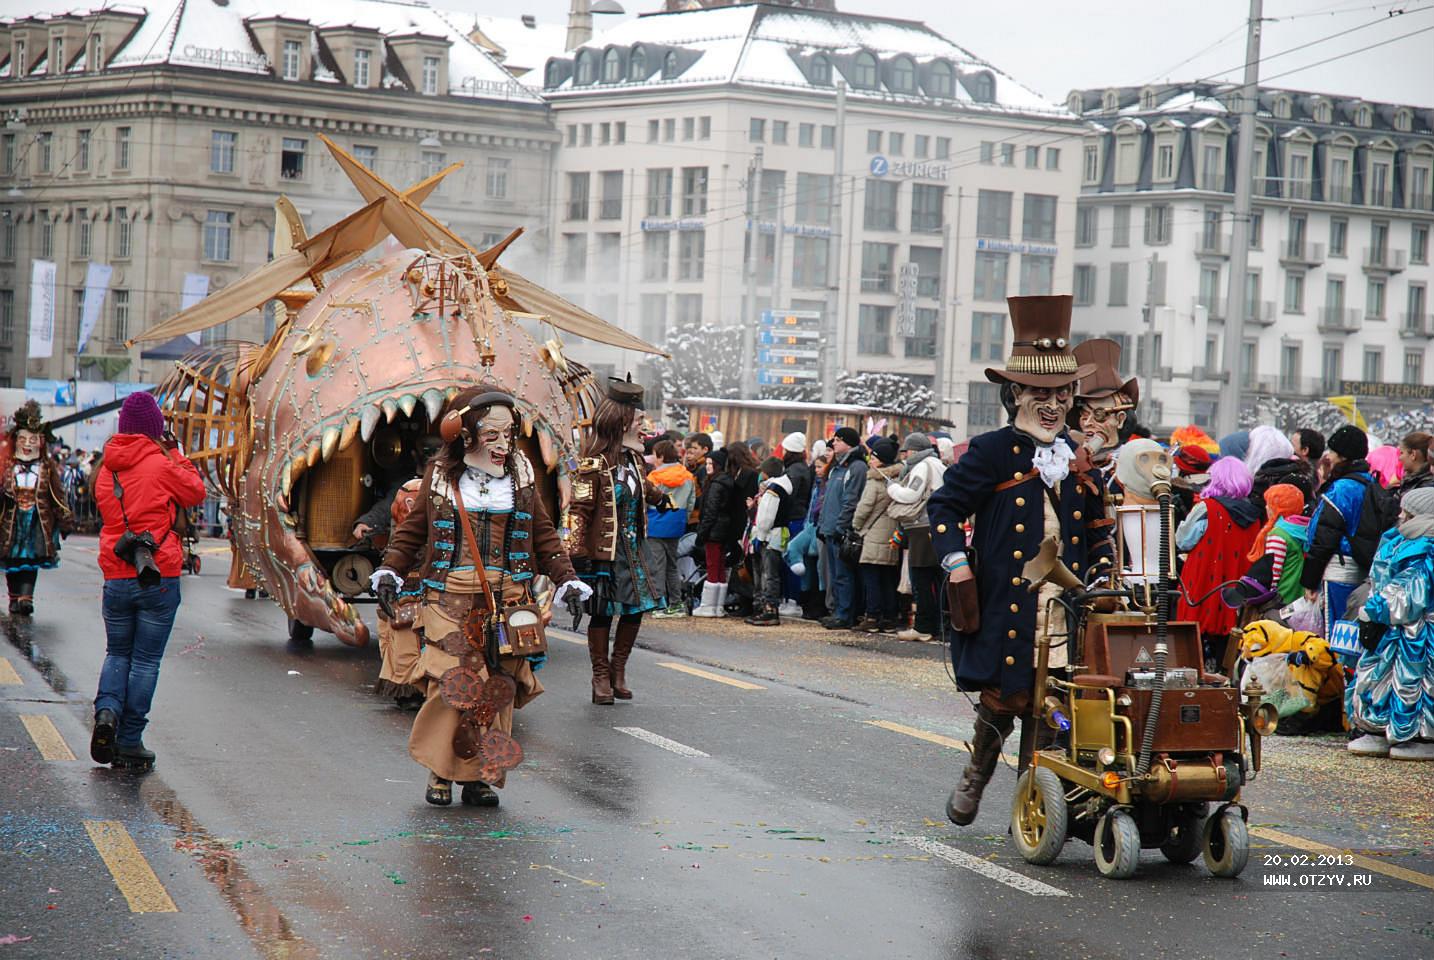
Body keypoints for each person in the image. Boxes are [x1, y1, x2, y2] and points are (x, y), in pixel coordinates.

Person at [927, 294, 1113, 827]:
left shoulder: (1080, 457)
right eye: (1039, 392)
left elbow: (1100, 533)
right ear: (1015, 394)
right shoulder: (990, 451)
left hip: (1065, 607)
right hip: (1007, 604)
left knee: (1053, 706)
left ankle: (1034, 803)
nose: (1052, 405)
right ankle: (975, 778)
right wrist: (956, 565)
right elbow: (942, 508)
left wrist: (1100, 577)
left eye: (1061, 393)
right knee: (1003, 698)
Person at [374, 387, 590, 806]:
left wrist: (567, 580)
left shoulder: (522, 475)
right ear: (465, 433)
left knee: (497, 689)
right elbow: (413, 531)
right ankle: (441, 772)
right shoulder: (440, 477)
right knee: (453, 685)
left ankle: (479, 778)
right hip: (450, 597)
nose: (504, 443)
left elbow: (543, 536)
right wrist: (389, 571)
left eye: (509, 434)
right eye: (493, 433)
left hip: (509, 599)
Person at [89, 393, 207, 771]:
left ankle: (107, 713)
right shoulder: (161, 463)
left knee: (116, 653)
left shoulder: (106, 469)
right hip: (158, 573)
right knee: (145, 660)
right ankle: (129, 740)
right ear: (156, 430)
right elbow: (196, 491)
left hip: (115, 572)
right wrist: (176, 453)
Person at [567, 380, 662, 703]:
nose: (644, 427)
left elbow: (643, 487)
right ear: (621, 422)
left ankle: (618, 668)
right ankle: (600, 677)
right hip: (605, 551)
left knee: (635, 610)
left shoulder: (635, 461)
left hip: (634, 549)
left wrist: (662, 498)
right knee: (604, 612)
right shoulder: (593, 465)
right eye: (638, 421)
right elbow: (578, 511)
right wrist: (577, 551)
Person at [1348, 488, 1434, 760]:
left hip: (1417, 630)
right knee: (1380, 677)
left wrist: (1374, 610)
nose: (1399, 515)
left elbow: (1411, 590)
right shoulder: (1398, 539)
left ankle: (1419, 734)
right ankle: (1379, 729)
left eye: (1405, 510)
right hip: (1388, 626)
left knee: (1415, 680)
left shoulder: (1426, 546)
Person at [1176, 456, 1262, 667]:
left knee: (1193, 649)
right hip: (1235, 591)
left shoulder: (1206, 508)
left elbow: (1183, 541)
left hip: (1202, 587)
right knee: (1228, 649)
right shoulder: (1255, 515)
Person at [0, 402, 73, 616]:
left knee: (31, 559)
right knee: (13, 559)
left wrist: (65, 520)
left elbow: (58, 497)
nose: (27, 444)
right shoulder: (6, 467)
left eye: (33, 440)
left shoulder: (47, 468)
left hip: (36, 521)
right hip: (11, 521)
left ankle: (26, 597)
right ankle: (15, 597)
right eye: (23, 439)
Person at [886, 432, 945, 641]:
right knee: (937, 580)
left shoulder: (922, 466)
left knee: (921, 579)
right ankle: (940, 626)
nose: (905, 455)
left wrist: (892, 488)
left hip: (921, 527)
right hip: (936, 525)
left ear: (915, 451)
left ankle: (923, 627)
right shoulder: (938, 464)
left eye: (907, 450)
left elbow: (911, 494)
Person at [373, 478, 426, 710]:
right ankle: (410, 687)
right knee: (402, 635)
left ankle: (415, 686)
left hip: (426, 582)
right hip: (407, 584)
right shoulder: (411, 493)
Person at [816, 427, 868, 630]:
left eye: (838, 440)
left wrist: (841, 526)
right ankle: (837, 610)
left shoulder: (855, 467)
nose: (834, 443)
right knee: (835, 574)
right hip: (829, 528)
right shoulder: (837, 467)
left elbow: (850, 500)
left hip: (842, 531)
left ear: (849, 443)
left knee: (844, 574)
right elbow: (827, 498)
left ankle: (845, 614)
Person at [851, 437, 902, 633]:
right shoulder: (897, 478)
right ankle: (889, 618)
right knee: (888, 578)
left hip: (873, 535)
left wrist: (855, 525)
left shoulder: (875, 479)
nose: (870, 460)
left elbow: (864, 507)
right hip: (891, 533)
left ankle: (872, 616)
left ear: (881, 460)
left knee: (871, 577)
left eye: (873, 457)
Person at [646, 439, 696, 619]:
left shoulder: (652, 478)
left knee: (657, 566)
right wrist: (683, 519)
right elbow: (691, 503)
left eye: (655, 455)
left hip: (655, 523)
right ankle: (676, 603)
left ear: (660, 456)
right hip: (676, 524)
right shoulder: (688, 476)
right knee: (672, 566)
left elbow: (645, 502)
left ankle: (659, 604)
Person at [746, 456, 792, 625]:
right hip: (775, 534)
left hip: (770, 535)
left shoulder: (774, 490)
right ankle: (765, 607)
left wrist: (760, 535)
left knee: (768, 574)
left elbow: (766, 516)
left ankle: (770, 609)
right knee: (768, 573)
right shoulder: (779, 488)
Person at [1246, 483, 1309, 606]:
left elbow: (1272, 573)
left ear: (1278, 508)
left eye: (1269, 504)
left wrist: (1265, 600)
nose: (1266, 508)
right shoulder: (1301, 529)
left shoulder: (1278, 534)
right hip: (1297, 598)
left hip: (1281, 599)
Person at [777, 433, 813, 617]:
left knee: (792, 559)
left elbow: (788, 495)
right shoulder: (800, 468)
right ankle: (789, 598)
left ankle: (793, 599)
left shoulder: (795, 471)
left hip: (794, 519)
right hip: (795, 517)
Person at [1395, 431, 1433, 507]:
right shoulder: (1411, 481)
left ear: (1413, 454)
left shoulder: (1426, 487)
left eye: (1402, 453)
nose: (1399, 458)